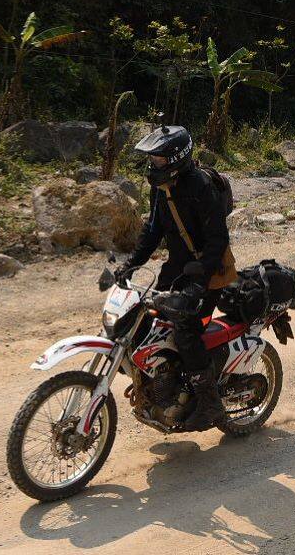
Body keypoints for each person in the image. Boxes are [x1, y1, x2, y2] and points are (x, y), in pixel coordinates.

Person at [98, 123, 233, 430]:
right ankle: (163, 389)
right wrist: (131, 265)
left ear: (176, 157)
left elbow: (218, 239)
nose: (153, 164)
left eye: (158, 159)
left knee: (186, 331)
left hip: (209, 273)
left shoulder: (201, 186)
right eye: (152, 159)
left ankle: (210, 405)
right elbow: (152, 230)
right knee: (146, 322)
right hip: (177, 268)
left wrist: (201, 280)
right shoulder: (162, 188)